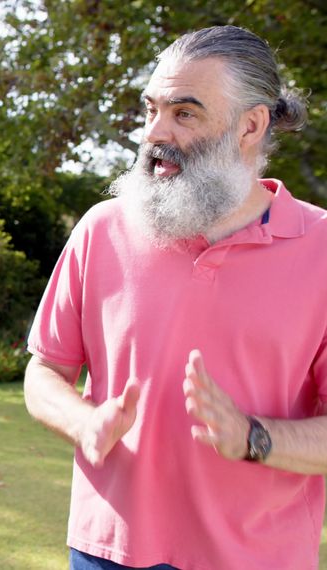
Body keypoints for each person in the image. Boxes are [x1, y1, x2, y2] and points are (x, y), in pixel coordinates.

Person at [24, 25, 323, 570]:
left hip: (257, 559)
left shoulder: (321, 249)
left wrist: (254, 437)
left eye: (185, 113)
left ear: (250, 125)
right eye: (151, 109)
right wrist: (83, 422)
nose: (154, 133)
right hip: (105, 551)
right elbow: (44, 372)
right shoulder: (101, 229)